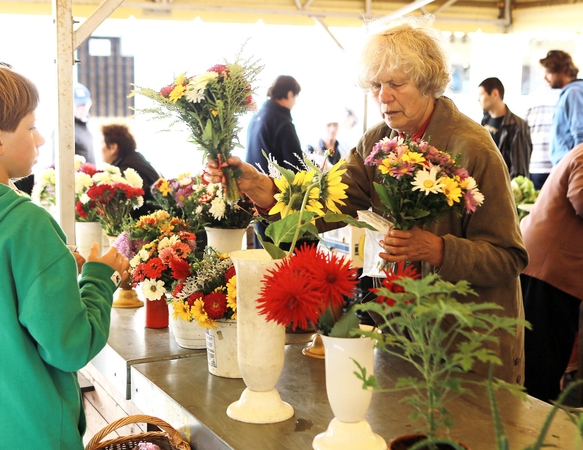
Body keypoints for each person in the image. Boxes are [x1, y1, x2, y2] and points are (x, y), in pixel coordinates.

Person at [207, 16, 527, 385]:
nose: (383, 96)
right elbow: (331, 198)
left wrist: (439, 249)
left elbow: (509, 256)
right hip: (403, 333)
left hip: (466, 343)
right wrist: (264, 188)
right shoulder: (379, 139)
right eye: (375, 85)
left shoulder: (471, 147)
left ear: (427, 82)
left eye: (396, 83)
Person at [0, 62, 129, 448]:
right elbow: (70, 346)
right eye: (30, 126)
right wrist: (98, 278)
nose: (40, 139)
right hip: (31, 435)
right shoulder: (28, 224)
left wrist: (56, 270)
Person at [520, 113, 583, 402]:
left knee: (543, 356)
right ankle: (529, 431)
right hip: (552, 269)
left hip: (555, 269)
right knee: (540, 361)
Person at [245, 75, 305, 248]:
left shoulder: (257, 117)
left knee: (263, 254)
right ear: (289, 93)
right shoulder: (282, 121)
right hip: (277, 201)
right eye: (295, 97)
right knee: (280, 259)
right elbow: (295, 166)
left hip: (257, 199)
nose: (294, 102)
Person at [539, 50, 583, 167]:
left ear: (563, 70)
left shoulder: (575, 92)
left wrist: (576, 168)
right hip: (566, 165)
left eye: (549, 72)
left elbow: (582, 134)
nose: (545, 77)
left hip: (570, 166)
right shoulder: (572, 92)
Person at [101, 122, 160, 218]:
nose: (100, 148)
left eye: (101, 143)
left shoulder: (127, 171)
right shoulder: (136, 161)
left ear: (113, 147)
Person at [478, 77, 532, 178]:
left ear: (495, 94)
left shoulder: (517, 125)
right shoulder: (484, 120)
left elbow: (520, 171)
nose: (478, 99)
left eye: (481, 94)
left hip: (504, 188)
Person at [525, 89, 560, 190]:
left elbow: (524, 130)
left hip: (535, 163)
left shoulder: (531, 99)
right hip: (556, 164)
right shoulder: (562, 97)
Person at [74, 81, 97, 164]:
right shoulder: (66, 129)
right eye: (77, 106)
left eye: (84, 105)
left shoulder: (86, 125)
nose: (81, 109)